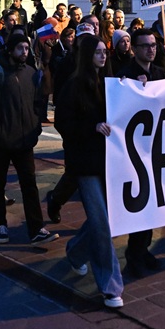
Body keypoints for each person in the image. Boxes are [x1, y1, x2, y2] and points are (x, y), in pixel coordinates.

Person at [55, 35, 125, 308]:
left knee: (103, 220)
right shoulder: (73, 86)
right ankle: (110, 286)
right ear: (86, 56)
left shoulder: (110, 84)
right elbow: (64, 123)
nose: (103, 56)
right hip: (85, 164)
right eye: (97, 52)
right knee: (101, 222)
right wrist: (92, 128)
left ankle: (75, 250)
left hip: (109, 162)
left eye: (104, 51)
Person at [0, 32, 57, 244]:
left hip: (24, 140)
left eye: (26, 48)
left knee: (29, 184)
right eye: (20, 48)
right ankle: (0, 225)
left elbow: (38, 102)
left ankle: (36, 228)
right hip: (0, 142)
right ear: (10, 50)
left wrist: (35, 127)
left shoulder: (31, 73)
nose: (24, 52)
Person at [113, 26, 165, 277]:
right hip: (134, 152)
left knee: (154, 205)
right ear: (135, 49)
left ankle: (143, 249)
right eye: (145, 46)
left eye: (154, 45)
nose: (151, 49)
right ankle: (133, 256)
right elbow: (119, 112)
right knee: (139, 205)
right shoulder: (125, 75)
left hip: (157, 149)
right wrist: (133, 90)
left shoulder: (159, 73)